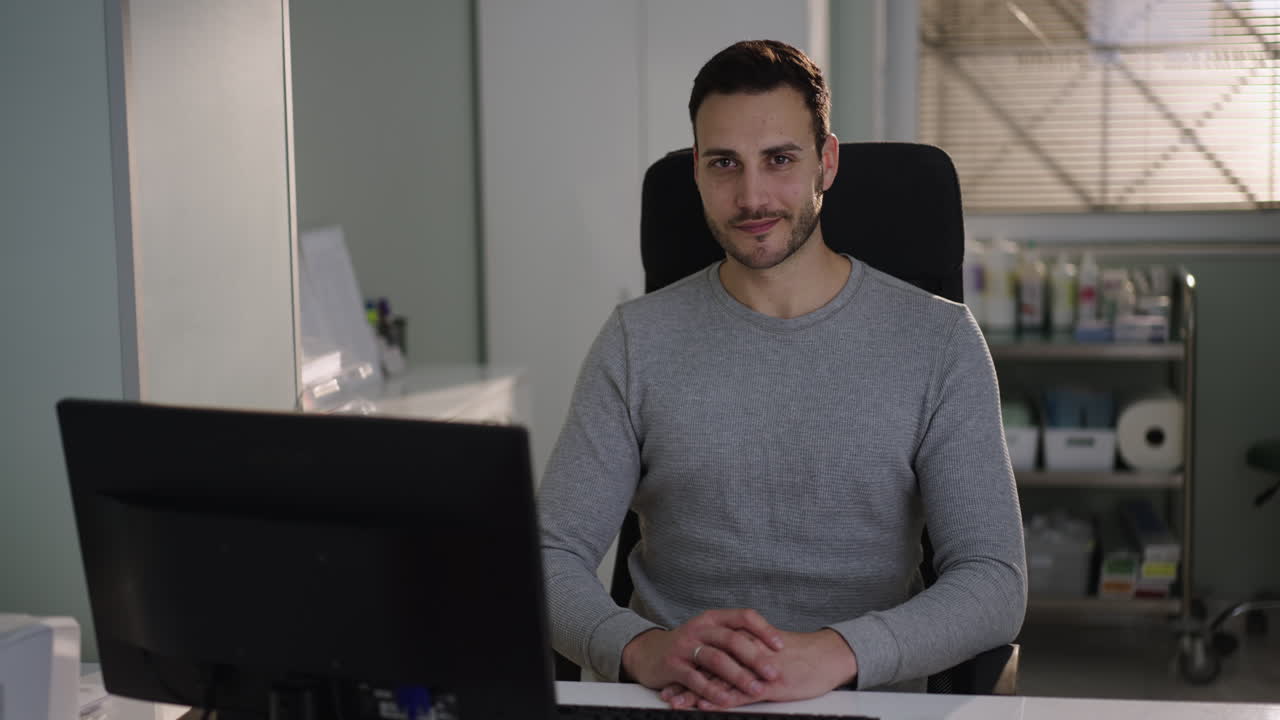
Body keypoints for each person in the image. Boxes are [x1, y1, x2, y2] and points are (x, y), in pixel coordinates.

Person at [538, 39, 1026, 710]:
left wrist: (833, 654)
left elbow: (995, 581)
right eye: (723, 164)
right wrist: (641, 647)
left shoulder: (938, 342)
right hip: (673, 697)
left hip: (861, 697)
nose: (751, 195)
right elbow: (545, 556)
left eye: (780, 159)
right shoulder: (635, 341)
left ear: (826, 162)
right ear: (698, 175)